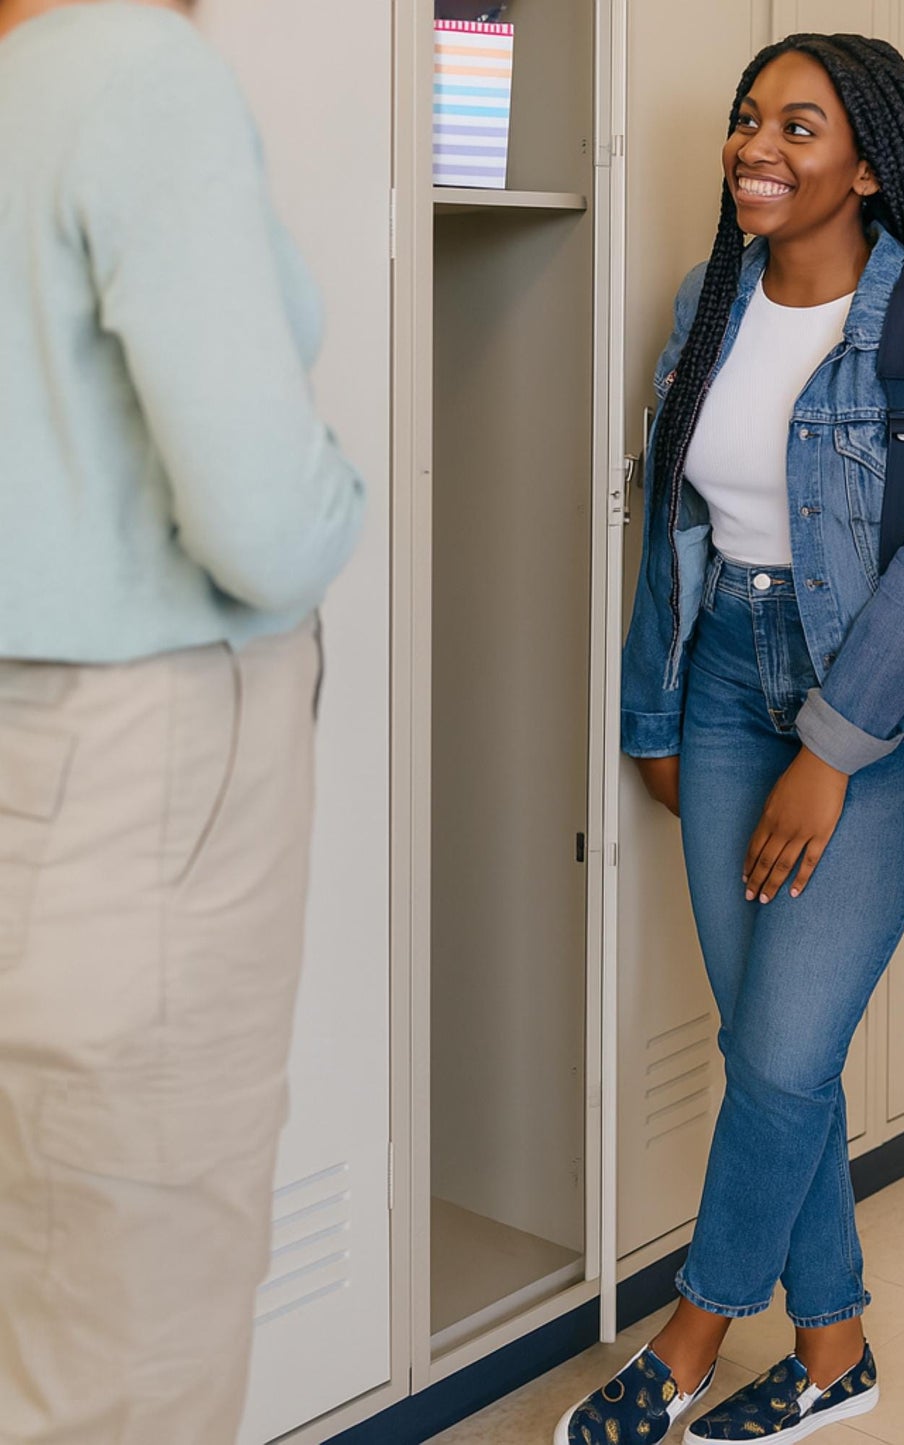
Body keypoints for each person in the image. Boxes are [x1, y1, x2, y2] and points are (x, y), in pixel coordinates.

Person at [557, 34, 904, 1445]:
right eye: (749, 120)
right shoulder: (707, 301)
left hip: (870, 715)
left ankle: (690, 1335)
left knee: (783, 1055)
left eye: (798, 128)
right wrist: (652, 711)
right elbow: (664, 529)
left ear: (867, 165)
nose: (756, 145)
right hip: (716, 688)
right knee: (768, 1047)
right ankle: (833, 1345)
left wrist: (829, 745)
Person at [0, 0, 366, 1439]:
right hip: (129, 764)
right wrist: (338, 493)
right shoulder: (138, 72)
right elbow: (265, 526)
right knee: (134, 1349)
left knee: (38, 1304)